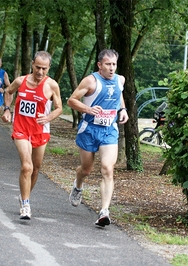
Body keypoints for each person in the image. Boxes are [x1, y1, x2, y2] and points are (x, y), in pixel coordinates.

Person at [67, 49, 129, 227]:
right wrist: (88, 109)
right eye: (108, 64)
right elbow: (71, 100)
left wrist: (122, 109)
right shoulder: (90, 81)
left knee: (107, 168)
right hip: (89, 129)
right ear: (99, 65)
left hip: (109, 129)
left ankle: (104, 211)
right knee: (86, 170)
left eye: (114, 64)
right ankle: (78, 185)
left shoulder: (120, 79)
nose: (112, 68)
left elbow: (119, 95)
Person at [1, 51, 62, 219]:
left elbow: (59, 107)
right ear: (32, 65)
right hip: (21, 129)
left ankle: (24, 196)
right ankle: (26, 205)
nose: (40, 72)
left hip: (40, 130)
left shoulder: (52, 85)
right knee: (26, 166)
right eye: (37, 67)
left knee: (36, 169)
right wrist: (7, 110)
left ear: (49, 68)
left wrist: (48, 117)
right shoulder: (21, 81)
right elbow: (8, 92)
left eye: (44, 68)